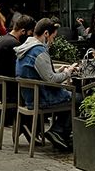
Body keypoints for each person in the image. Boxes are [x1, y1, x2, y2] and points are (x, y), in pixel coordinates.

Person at [14, 19, 72, 150]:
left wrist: (59, 71)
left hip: (29, 97)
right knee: (78, 98)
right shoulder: (38, 51)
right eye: (53, 37)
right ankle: (58, 132)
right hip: (42, 97)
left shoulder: (25, 48)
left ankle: (58, 132)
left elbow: (41, 74)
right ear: (46, 33)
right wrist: (67, 73)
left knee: (70, 96)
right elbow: (51, 79)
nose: (52, 41)